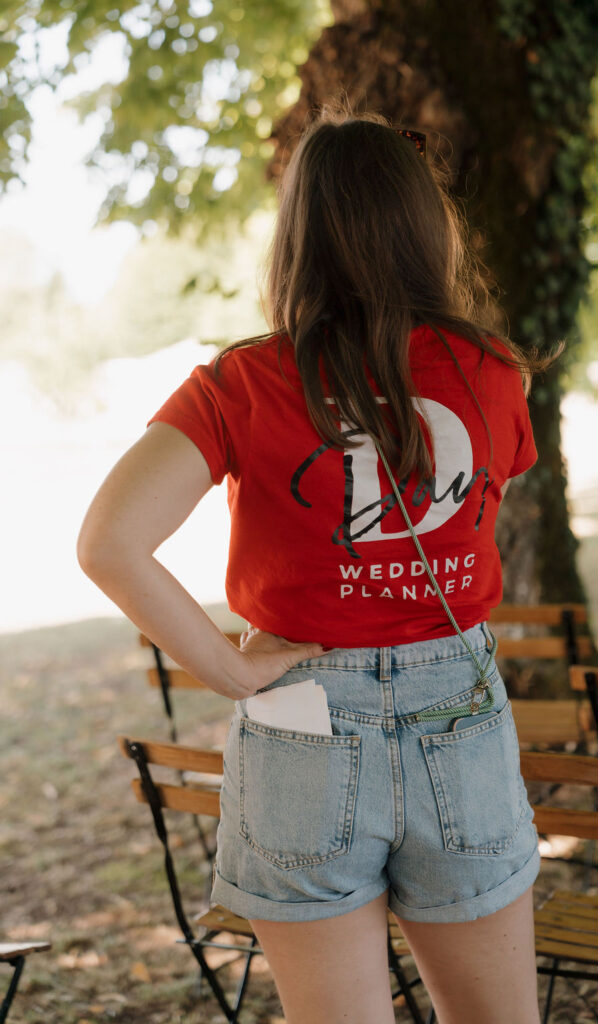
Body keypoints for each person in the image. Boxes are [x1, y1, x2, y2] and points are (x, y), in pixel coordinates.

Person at [78, 105, 557, 1024]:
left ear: (294, 234)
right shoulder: (491, 371)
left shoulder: (241, 381)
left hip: (300, 712)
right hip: (455, 706)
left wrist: (226, 669)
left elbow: (108, 541)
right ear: (427, 225)